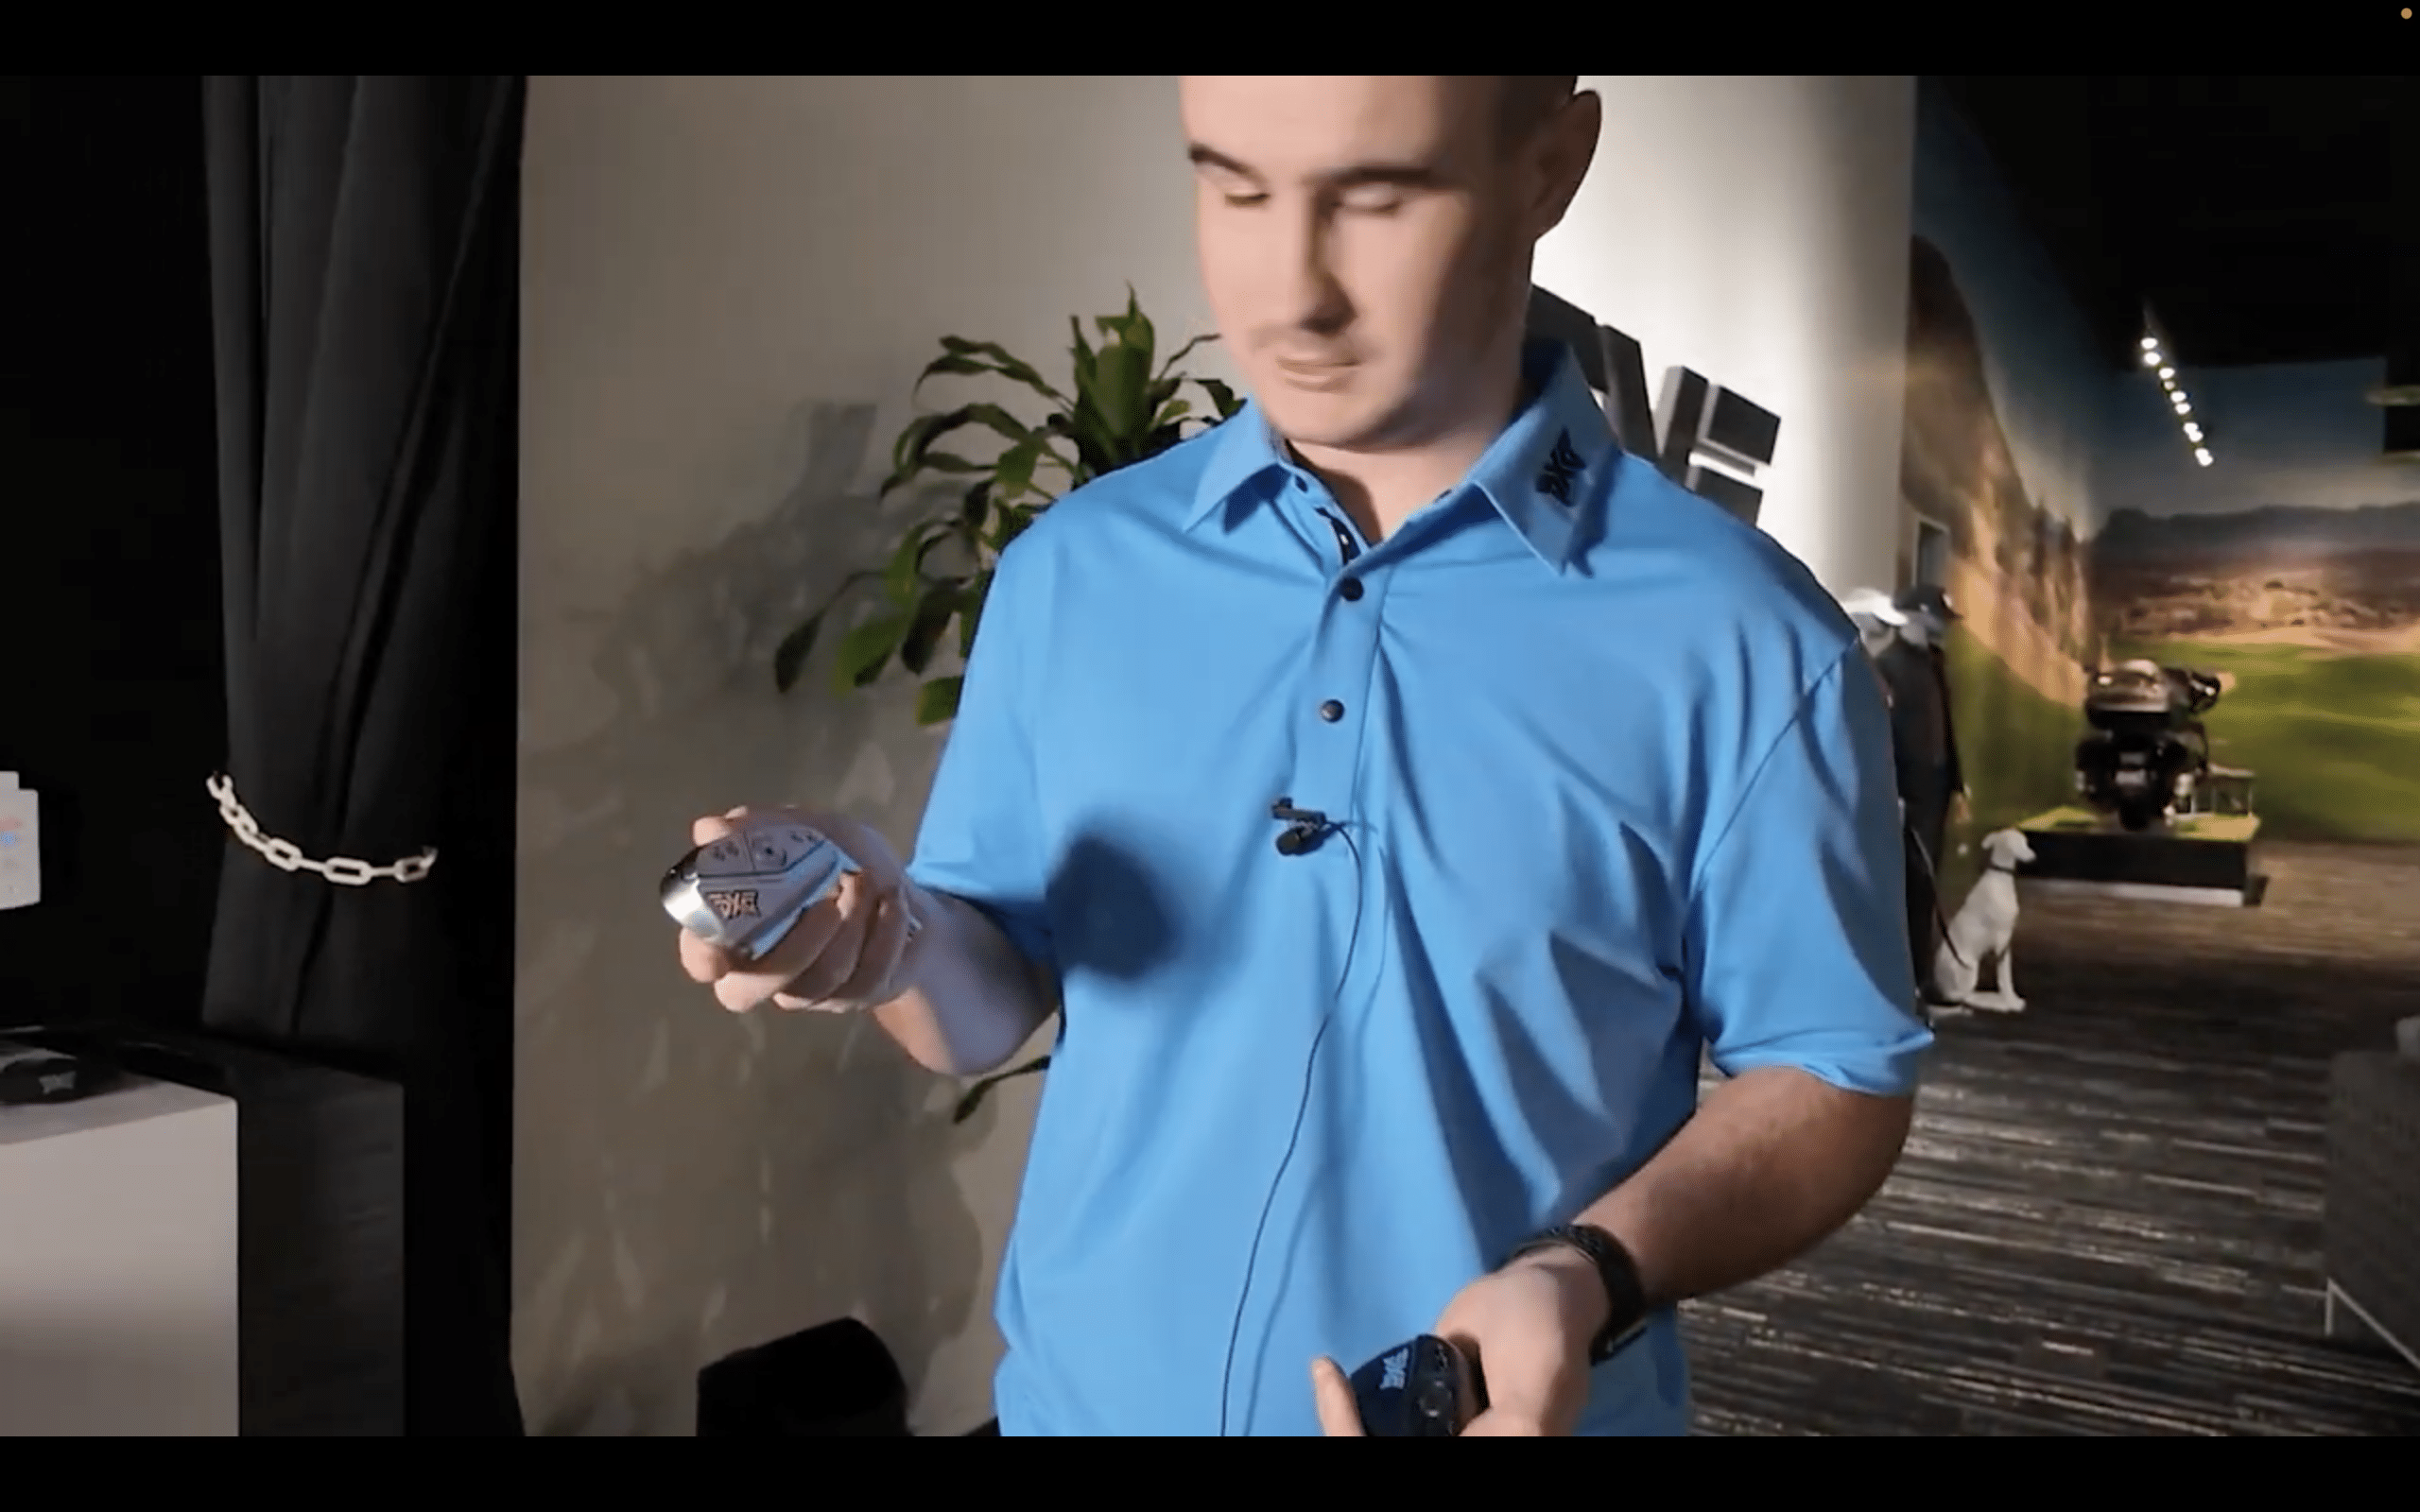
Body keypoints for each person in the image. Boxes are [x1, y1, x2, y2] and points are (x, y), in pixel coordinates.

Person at [676, 76, 1932, 1437]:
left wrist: (1590, 1274)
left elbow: (1834, 1072)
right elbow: (988, 1004)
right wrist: (891, 936)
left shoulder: (1746, 637)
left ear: (1551, 165)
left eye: (1377, 196)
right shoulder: (1075, 572)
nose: (1289, 293)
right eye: (1233, 183)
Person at [1873, 583, 1969, 1006]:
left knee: (1926, 886)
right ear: (1914, 617)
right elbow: (1880, 737)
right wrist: (1891, 792)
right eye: (1935, 619)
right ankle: (1902, 984)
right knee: (1905, 885)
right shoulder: (1886, 666)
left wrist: (1957, 781)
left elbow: (1945, 728)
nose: (1940, 628)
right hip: (1905, 792)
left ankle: (1922, 978)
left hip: (1935, 790)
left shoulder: (1934, 663)